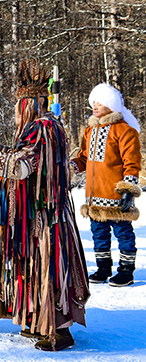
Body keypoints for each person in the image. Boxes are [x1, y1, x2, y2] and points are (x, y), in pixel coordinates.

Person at [0, 58, 90, 352]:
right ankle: (37, 320)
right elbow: (27, 160)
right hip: (37, 216)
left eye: (18, 106)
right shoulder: (40, 128)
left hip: (46, 218)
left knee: (47, 267)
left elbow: (22, 168)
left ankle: (59, 331)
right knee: (33, 267)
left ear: (28, 104)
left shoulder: (43, 128)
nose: (15, 112)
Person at [72, 83, 141, 287]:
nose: (95, 105)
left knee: (123, 232)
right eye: (94, 101)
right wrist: (71, 167)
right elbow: (84, 158)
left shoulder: (125, 131)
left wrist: (128, 190)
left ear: (111, 104)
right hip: (94, 196)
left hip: (115, 194)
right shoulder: (90, 130)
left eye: (100, 101)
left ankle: (126, 271)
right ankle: (103, 268)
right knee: (98, 233)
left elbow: (132, 162)